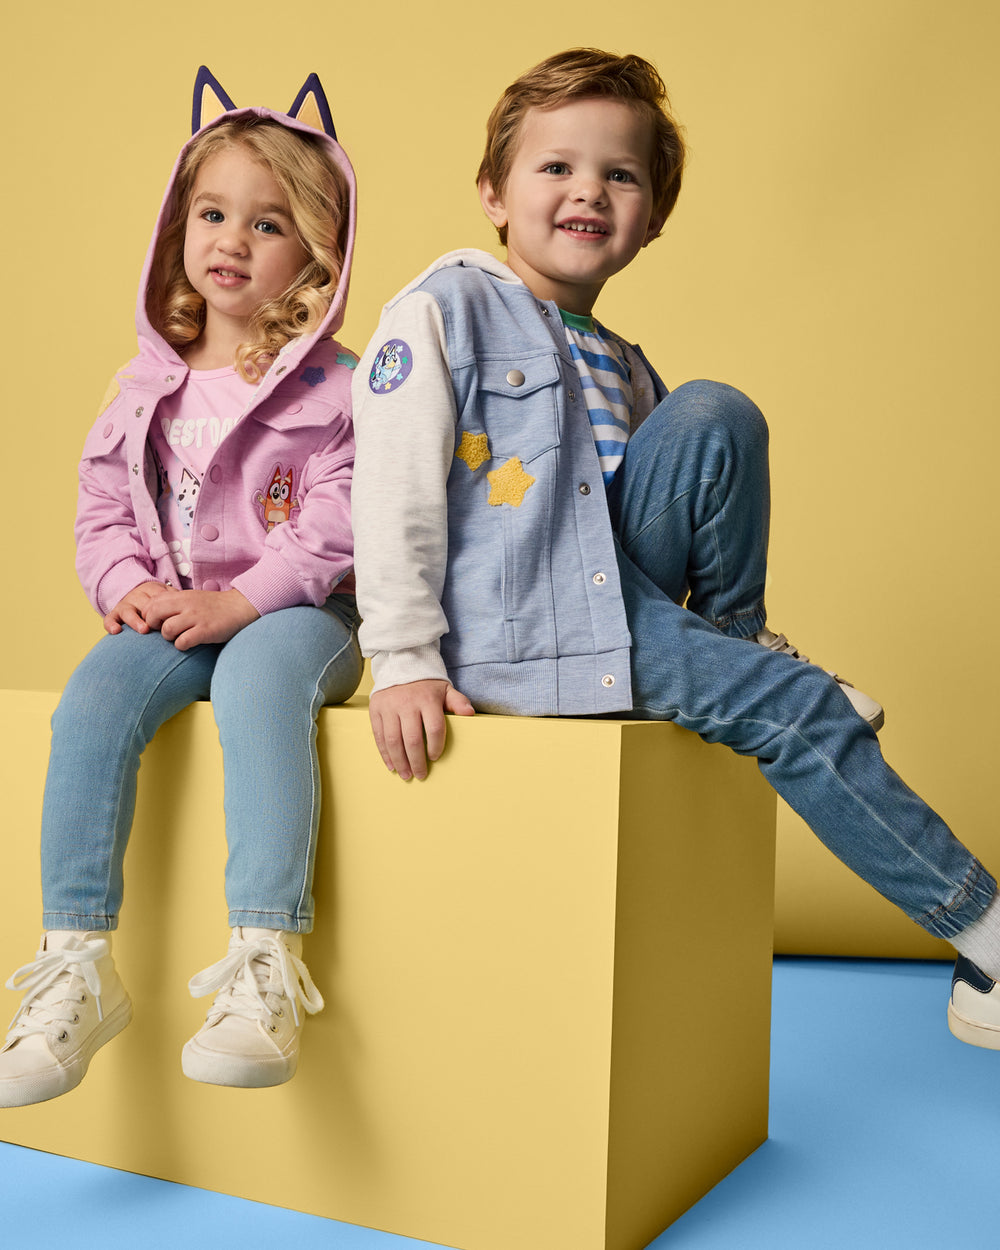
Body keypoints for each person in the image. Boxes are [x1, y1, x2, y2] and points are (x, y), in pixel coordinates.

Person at [350, 48, 1000, 1052]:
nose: (587, 191)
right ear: (493, 193)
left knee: (712, 412)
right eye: (556, 166)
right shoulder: (443, 310)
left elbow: (664, 505)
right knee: (799, 709)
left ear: (651, 218)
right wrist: (402, 659)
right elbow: (390, 489)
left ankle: (735, 639)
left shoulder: (622, 360)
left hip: (615, 596)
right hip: (524, 624)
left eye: (620, 175)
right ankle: (983, 937)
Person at [0, 69, 362, 1107]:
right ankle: (76, 962)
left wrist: (242, 603)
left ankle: (264, 961)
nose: (231, 241)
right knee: (95, 697)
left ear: (318, 256)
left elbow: (343, 513)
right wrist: (126, 587)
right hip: (175, 614)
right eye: (212, 214)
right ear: (178, 226)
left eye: (268, 223)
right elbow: (103, 503)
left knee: (258, 683)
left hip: (302, 615)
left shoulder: (333, 385)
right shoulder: (144, 384)